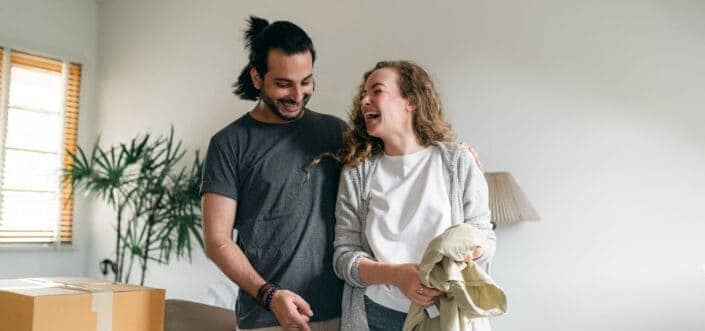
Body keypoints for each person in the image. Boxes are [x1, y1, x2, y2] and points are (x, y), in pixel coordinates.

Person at [201, 16, 346, 331]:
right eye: (283, 84)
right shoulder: (229, 144)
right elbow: (217, 240)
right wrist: (269, 294)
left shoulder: (336, 132)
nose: (297, 95)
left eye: (305, 81)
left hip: (340, 315)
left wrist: (454, 154)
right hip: (267, 318)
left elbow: (395, 163)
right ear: (257, 78)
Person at [332, 61, 496, 331]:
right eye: (364, 93)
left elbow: (485, 238)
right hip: (377, 315)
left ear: (411, 101)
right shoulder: (356, 172)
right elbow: (344, 256)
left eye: (377, 91)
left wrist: (470, 252)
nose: (365, 100)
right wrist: (397, 277)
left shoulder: (458, 161)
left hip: (447, 312)